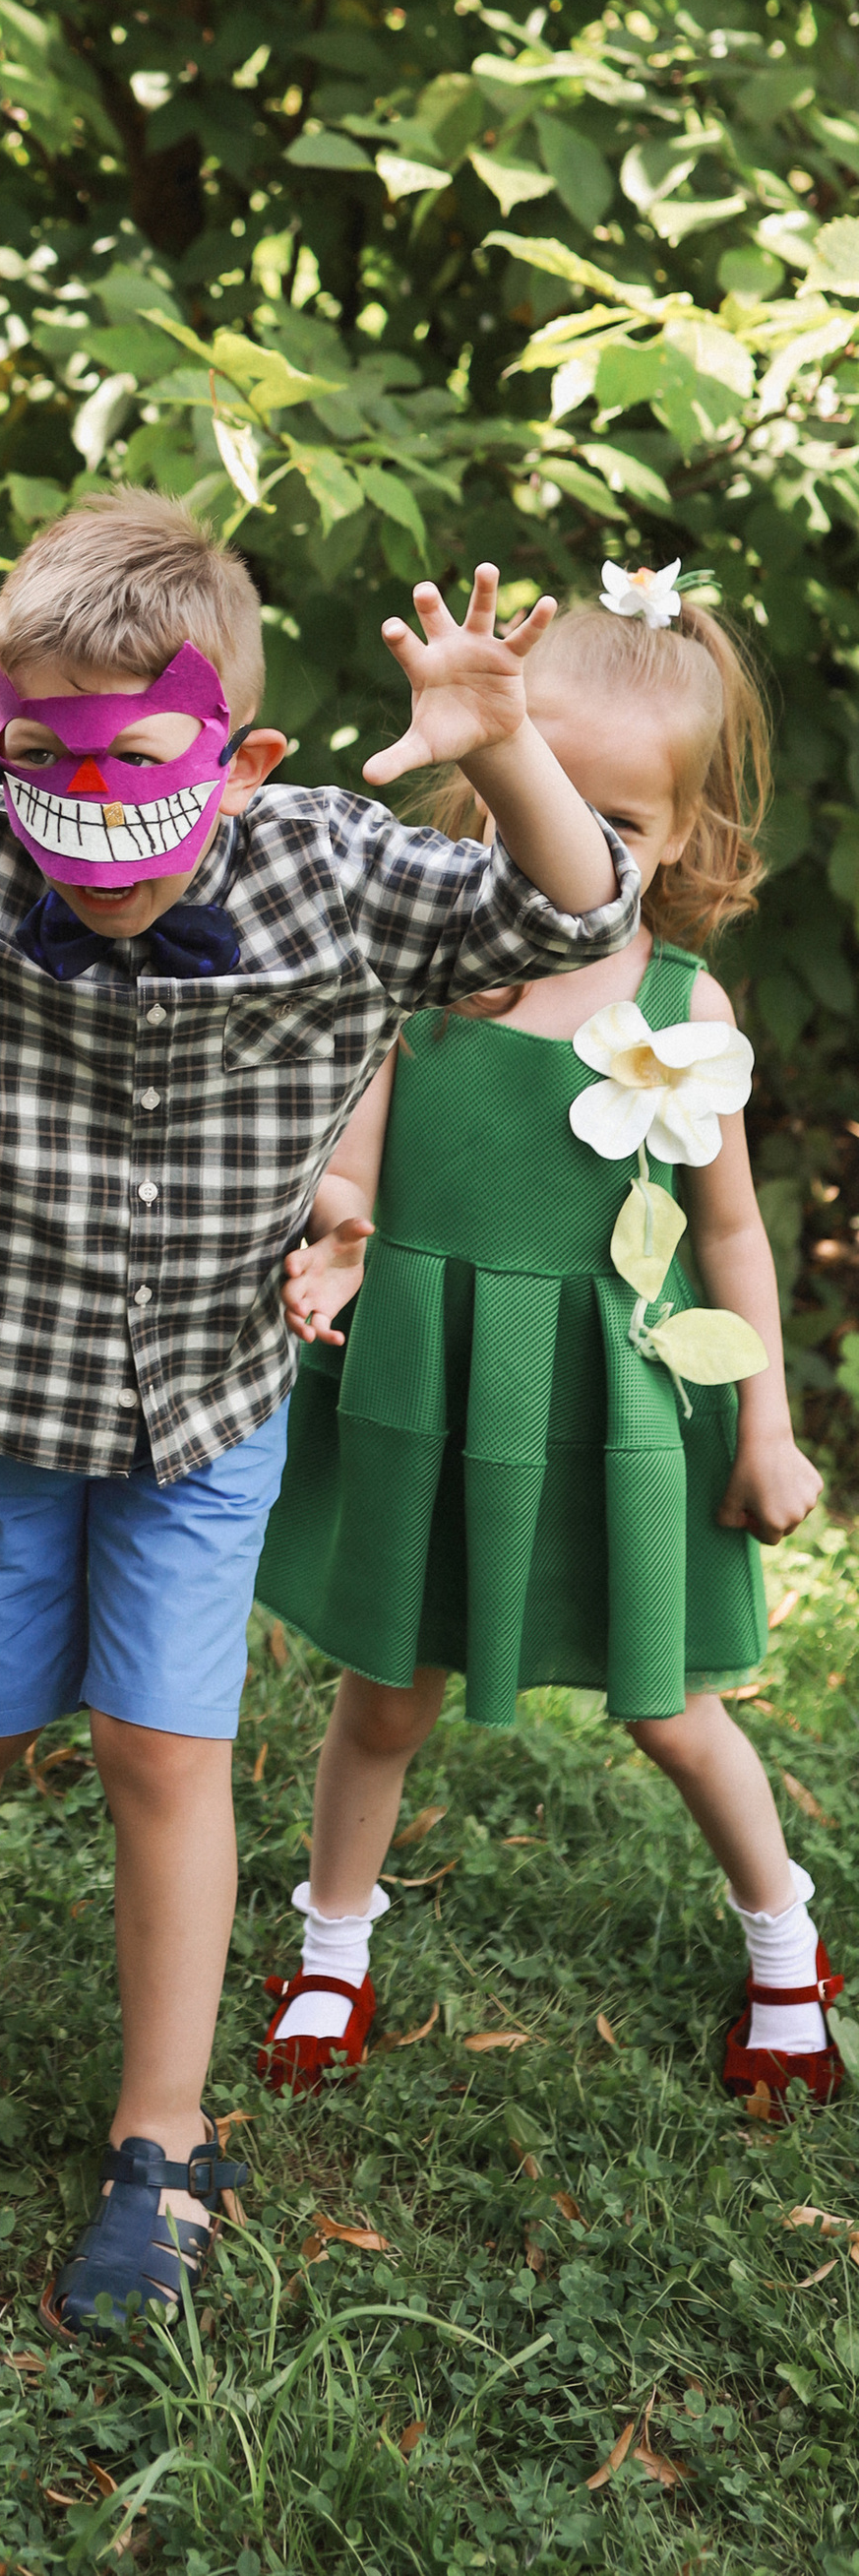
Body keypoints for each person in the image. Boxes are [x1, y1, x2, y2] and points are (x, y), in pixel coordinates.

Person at [0, 487, 640, 2333]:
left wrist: (507, 739)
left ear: (247, 757)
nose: (100, 849)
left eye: (145, 788)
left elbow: (566, 908)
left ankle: (163, 2133)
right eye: (54, 776)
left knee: (160, 1755)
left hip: (207, 1410)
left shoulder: (335, 871)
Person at [256, 581, 831, 2096]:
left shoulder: (679, 1008)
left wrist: (766, 1425)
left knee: (668, 1705)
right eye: (540, 795)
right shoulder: (427, 977)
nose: (574, 841)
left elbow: (727, 1235)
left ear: (683, 840)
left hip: (605, 1393)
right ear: (482, 782)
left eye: (620, 821)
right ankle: (332, 1947)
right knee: (384, 1692)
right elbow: (359, 1168)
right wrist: (339, 1234)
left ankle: (786, 1948)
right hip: (430, 1378)